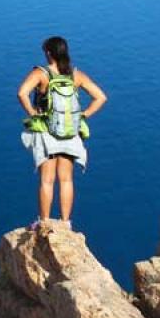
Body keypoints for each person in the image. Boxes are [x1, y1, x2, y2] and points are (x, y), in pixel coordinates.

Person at [17, 35, 106, 230]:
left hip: (47, 132)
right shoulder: (76, 75)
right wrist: (83, 115)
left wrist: (33, 113)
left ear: (49, 53)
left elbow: (21, 92)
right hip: (70, 132)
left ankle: (44, 221)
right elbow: (101, 97)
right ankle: (66, 222)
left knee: (47, 180)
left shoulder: (41, 74)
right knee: (66, 179)